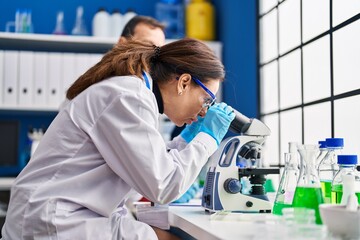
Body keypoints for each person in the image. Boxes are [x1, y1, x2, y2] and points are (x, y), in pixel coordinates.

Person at [1, 38, 235, 239]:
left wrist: (187, 141)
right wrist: (208, 138)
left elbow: (147, 165)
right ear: (184, 82)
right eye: (207, 101)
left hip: (68, 213)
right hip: (54, 220)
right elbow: (162, 185)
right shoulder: (128, 97)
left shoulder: (135, 94)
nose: (204, 112)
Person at [119, 15, 198, 204]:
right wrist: (205, 141)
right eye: (148, 46)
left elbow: (145, 157)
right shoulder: (127, 93)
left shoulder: (143, 92)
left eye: (159, 51)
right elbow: (159, 184)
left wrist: (182, 142)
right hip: (67, 217)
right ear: (122, 44)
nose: (155, 58)